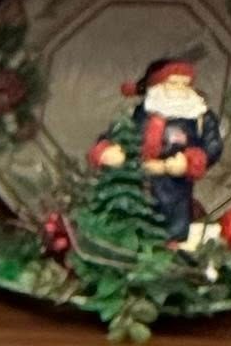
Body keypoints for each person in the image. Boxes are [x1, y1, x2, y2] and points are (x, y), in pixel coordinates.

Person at [89, 57, 223, 243]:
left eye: (185, 84)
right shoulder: (137, 114)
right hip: (136, 190)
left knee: (172, 233)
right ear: (157, 85)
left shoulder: (200, 115)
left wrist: (189, 162)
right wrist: (106, 150)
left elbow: (213, 146)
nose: (180, 89)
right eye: (173, 83)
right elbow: (116, 134)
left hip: (175, 193)